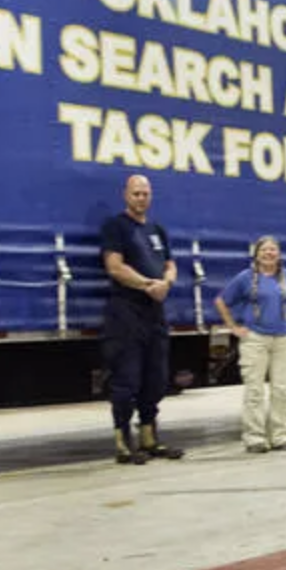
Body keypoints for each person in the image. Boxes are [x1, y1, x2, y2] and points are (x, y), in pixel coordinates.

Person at [100, 175, 186, 464]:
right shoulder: (116, 227)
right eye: (136, 193)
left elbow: (171, 264)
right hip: (126, 313)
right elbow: (115, 267)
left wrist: (167, 282)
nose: (141, 198)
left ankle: (150, 438)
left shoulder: (156, 230)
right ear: (126, 195)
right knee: (127, 380)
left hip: (155, 314)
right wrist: (149, 285)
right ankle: (124, 443)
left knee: (156, 378)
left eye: (145, 193)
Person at [215, 236, 286, 453]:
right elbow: (221, 301)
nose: (269, 253)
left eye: (273, 249)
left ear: (279, 254)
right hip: (255, 339)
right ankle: (255, 438)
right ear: (256, 254)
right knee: (254, 390)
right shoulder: (246, 278)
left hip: (283, 339)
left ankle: (279, 437)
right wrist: (234, 328)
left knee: (281, 390)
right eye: (264, 250)